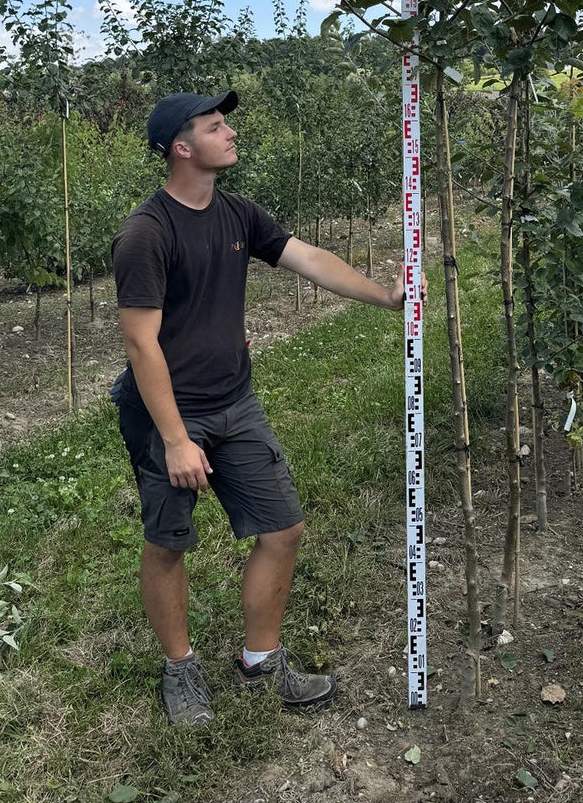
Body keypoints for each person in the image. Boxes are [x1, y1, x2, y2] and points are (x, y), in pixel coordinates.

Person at [110, 89, 425, 726]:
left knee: (282, 528)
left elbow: (306, 257)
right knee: (169, 543)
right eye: (215, 126)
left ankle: (261, 659)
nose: (229, 133)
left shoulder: (236, 213)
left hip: (235, 401)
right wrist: (175, 438)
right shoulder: (146, 233)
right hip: (168, 412)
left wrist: (383, 298)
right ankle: (180, 669)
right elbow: (141, 343)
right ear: (181, 147)